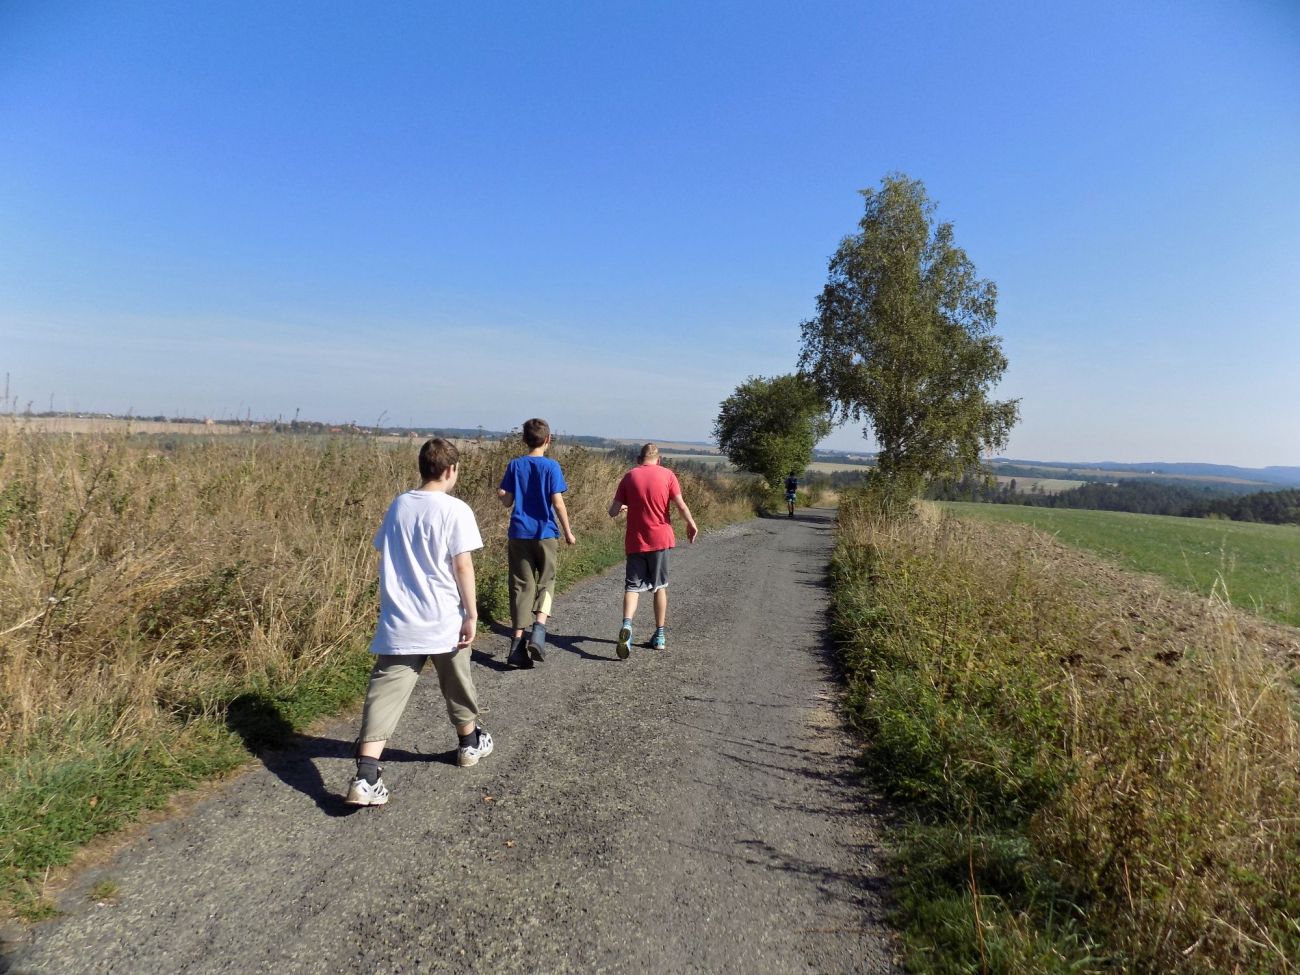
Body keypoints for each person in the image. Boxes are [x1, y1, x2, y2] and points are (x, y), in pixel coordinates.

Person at [345, 438, 493, 807]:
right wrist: (472, 613)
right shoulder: (456, 510)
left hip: (401, 621)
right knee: (457, 683)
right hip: (444, 619)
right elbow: (462, 566)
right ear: (450, 470)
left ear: (423, 468)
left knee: (384, 694)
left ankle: (366, 775)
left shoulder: (399, 505)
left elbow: (386, 551)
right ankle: (469, 744)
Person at [497, 418, 576, 668]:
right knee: (547, 581)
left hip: (519, 533)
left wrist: (501, 493)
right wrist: (568, 532)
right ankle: (539, 631)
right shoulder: (552, 467)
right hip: (545, 533)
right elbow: (558, 503)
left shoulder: (515, 465)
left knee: (521, 586)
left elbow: (507, 501)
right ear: (548, 439)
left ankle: (516, 645)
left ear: (524, 440)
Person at [608, 443, 698, 657]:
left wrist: (624, 507)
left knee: (632, 587)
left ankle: (627, 625)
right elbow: (681, 505)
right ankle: (659, 635)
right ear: (659, 459)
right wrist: (691, 523)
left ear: (639, 459)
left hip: (636, 541)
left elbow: (612, 511)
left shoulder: (629, 476)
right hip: (660, 540)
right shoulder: (668, 475)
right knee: (659, 587)